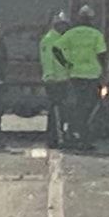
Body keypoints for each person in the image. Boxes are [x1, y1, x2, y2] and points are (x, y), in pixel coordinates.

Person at [54, 6, 108, 150]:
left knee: (78, 106)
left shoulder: (72, 34)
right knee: (89, 107)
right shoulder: (96, 34)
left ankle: (75, 133)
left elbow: (56, 48)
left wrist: (66, 63)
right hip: (92, 75)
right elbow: (102, 54)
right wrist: (104, 73)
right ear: (91, 19)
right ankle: (83, 137)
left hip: (75, 75)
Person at [40, 12, 73, 149]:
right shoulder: (50, 39)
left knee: (60, 111)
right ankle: (55, 139)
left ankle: (57, 136)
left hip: (63, 79)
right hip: (55, 80)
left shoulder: (62, 38)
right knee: (56, 111)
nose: (64, 27)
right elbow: (47, 60)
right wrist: (50, 76)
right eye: (61, 25)